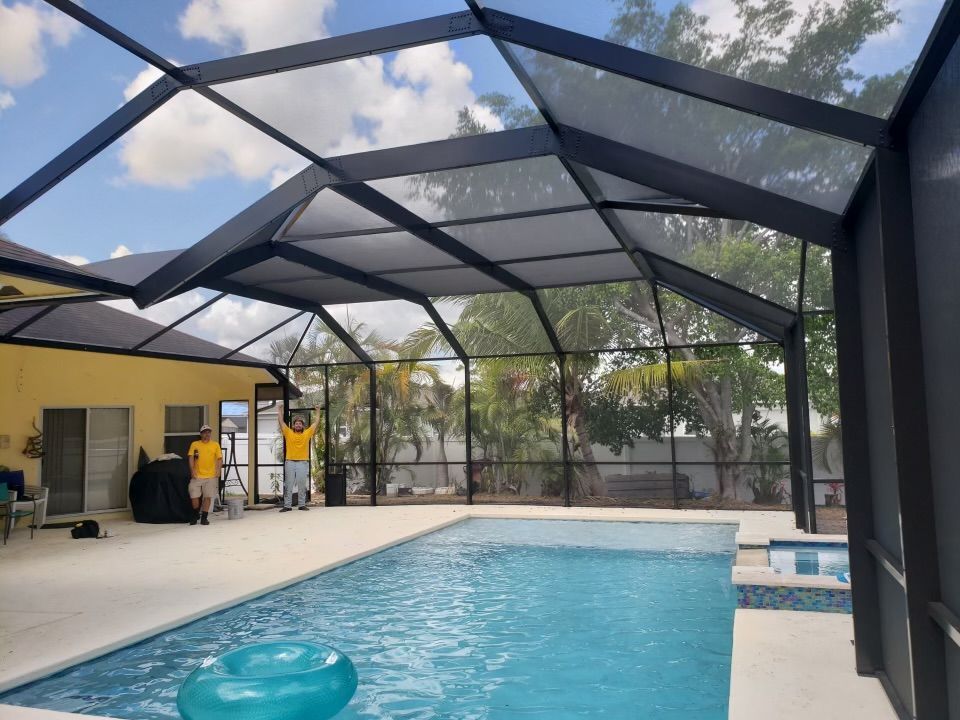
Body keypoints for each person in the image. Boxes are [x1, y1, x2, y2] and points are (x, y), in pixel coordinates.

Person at [278, 404, 321, 512]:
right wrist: (279, 409)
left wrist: (318, 410)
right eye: (296, 424)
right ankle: (287, 506)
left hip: (303, 463)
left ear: (303, 426)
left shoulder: (307, 433)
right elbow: (281, 422)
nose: (298, 425)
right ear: (293, 426)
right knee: (288, 484)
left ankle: (302, 504)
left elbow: (316, 423)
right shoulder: (288, 433)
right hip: (290, 462)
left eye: (300, 424)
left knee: (302, 484)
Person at [187, 424, 223, 526]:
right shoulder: (195, 444)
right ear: (201, 434)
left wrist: (218, 469)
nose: (207, 434)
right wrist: (192, 470)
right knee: (194, 495)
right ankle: (195, 515)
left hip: (210, 476)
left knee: (208, 497)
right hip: (197, 476)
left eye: (209, 432)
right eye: (205, 432)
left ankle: (204, 518)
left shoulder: (215, 445)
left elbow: (219, 458)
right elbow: (191, 457)